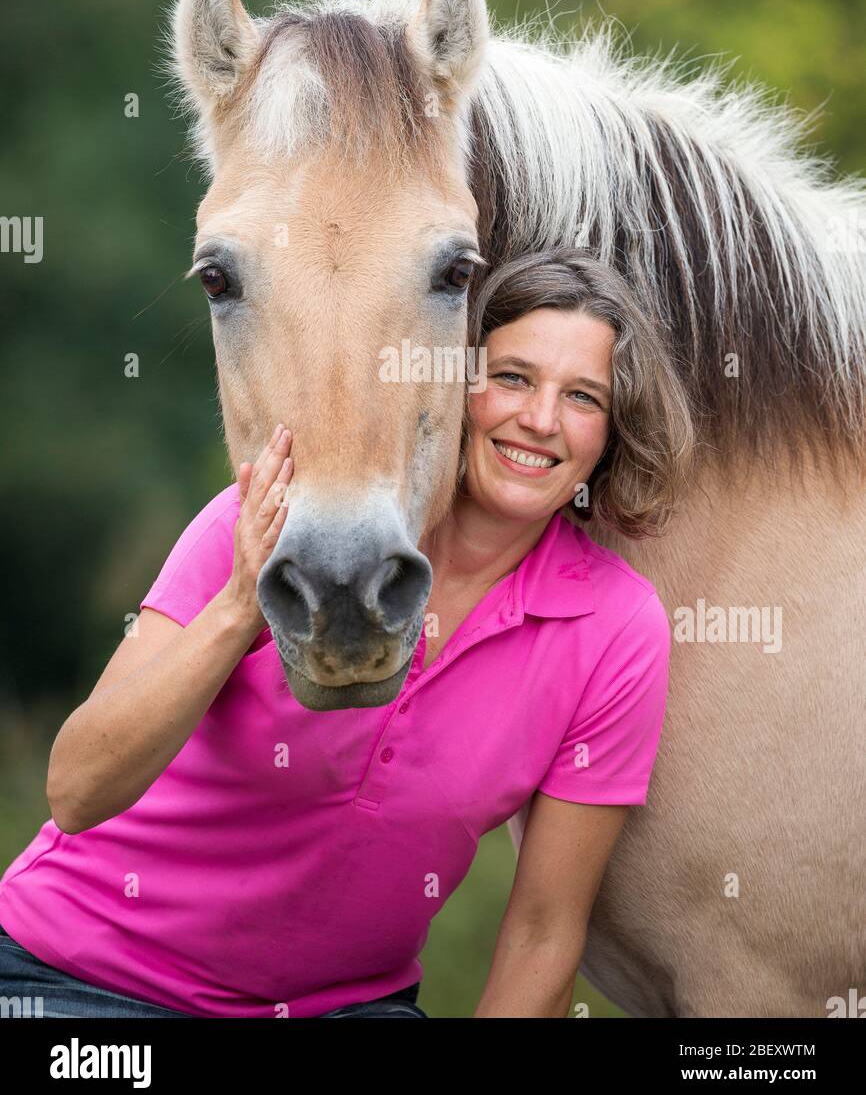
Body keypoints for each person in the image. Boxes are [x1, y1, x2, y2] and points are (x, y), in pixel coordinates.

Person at [0, 248, 694, 1018]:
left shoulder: (617, 629)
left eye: (583, 397)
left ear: (612, 432)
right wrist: (238, 605)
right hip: (79, 980)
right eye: (513, 378)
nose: (539, 419)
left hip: (344, 1007)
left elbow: (542, 934)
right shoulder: (283, 522)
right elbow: (77, 789)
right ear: (454, 384)